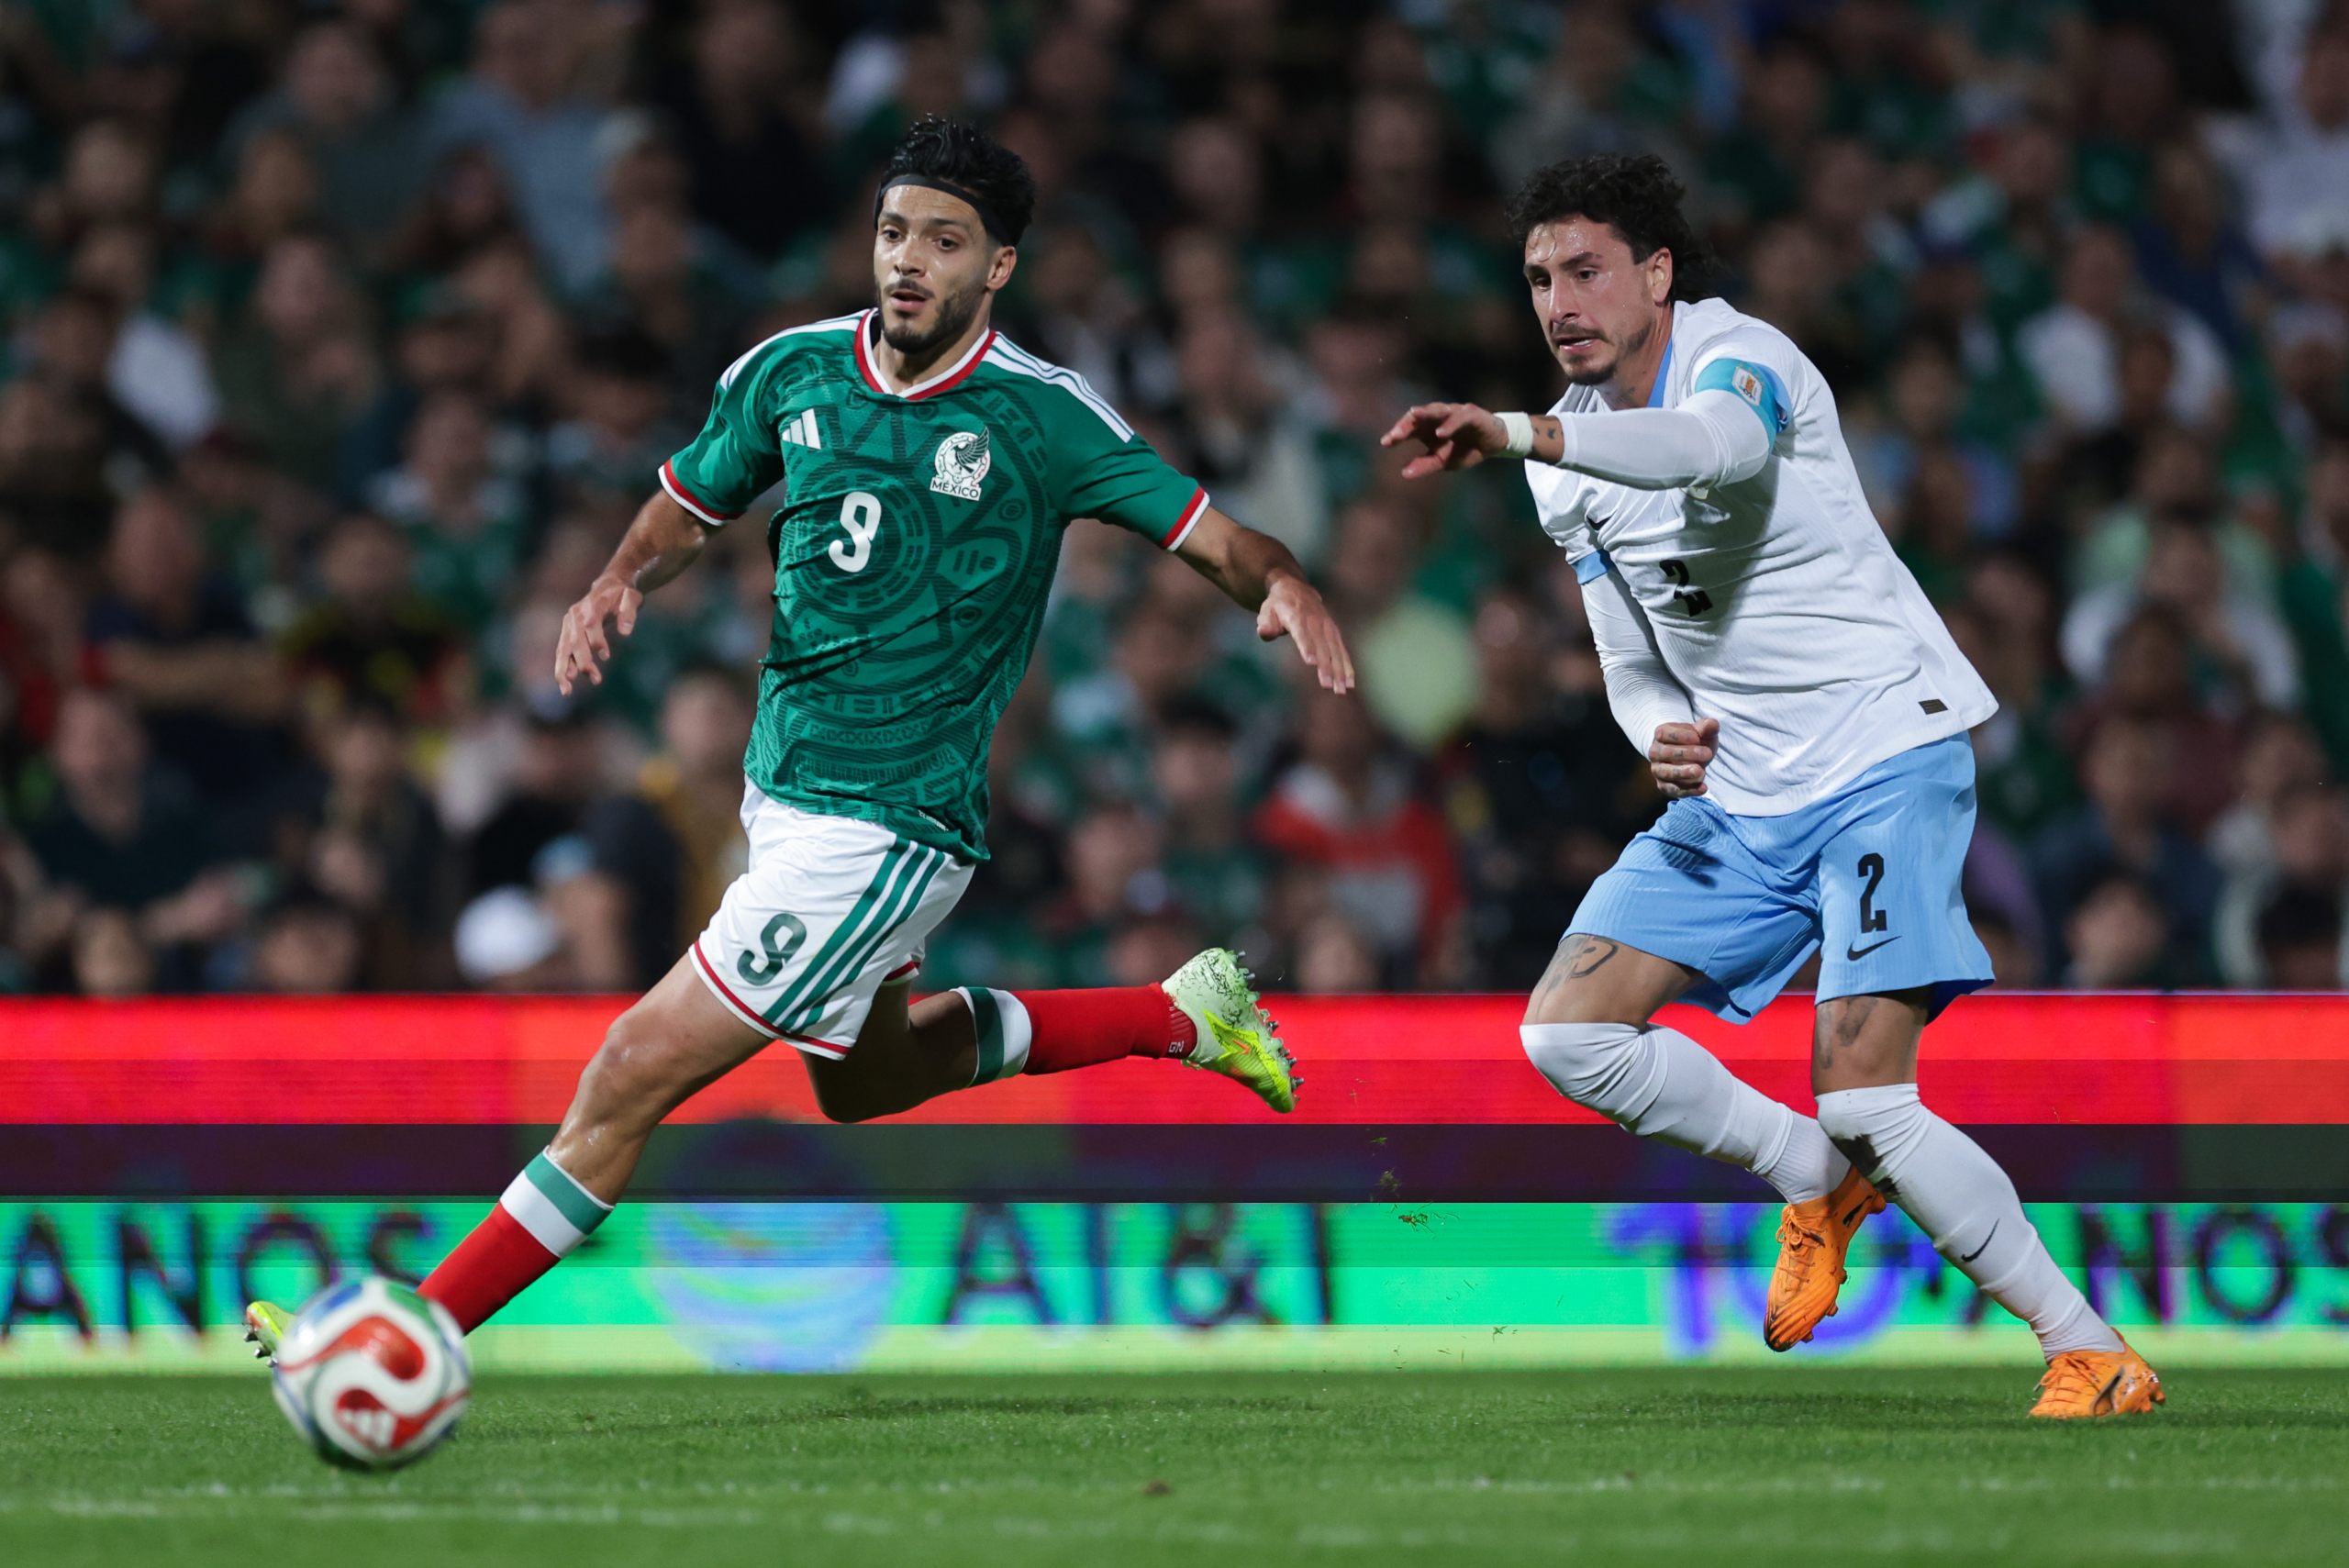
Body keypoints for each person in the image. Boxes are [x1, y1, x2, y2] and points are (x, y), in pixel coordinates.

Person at [245, 117, 1352, 1352]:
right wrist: (616, 579)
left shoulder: (1045, 416)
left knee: (626, 1072)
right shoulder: (792, 370)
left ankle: (400, 1340)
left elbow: (1218, 538)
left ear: (998, 266)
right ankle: (1178, 1015)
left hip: (889, 824)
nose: (909, 260)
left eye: (945, 240)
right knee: (868, 1080)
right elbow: (685, 503)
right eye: (894, 232)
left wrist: (1284, 582)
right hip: (783, 799)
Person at [1382, 153, 2159, 1419]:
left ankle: (2090, 1349)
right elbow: (1628, 655)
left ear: (1657, 273)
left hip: (1881, 754)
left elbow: (1711, 448)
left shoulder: (1743, 360)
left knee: (1870, 1096)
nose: (1561, 302)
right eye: (1538, 279)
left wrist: (1520, 427)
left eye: (1586, 270)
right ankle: (1813, 1175)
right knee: (1566, 1035)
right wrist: (1655, 732)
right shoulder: (1560, 466)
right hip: (1740, 795)